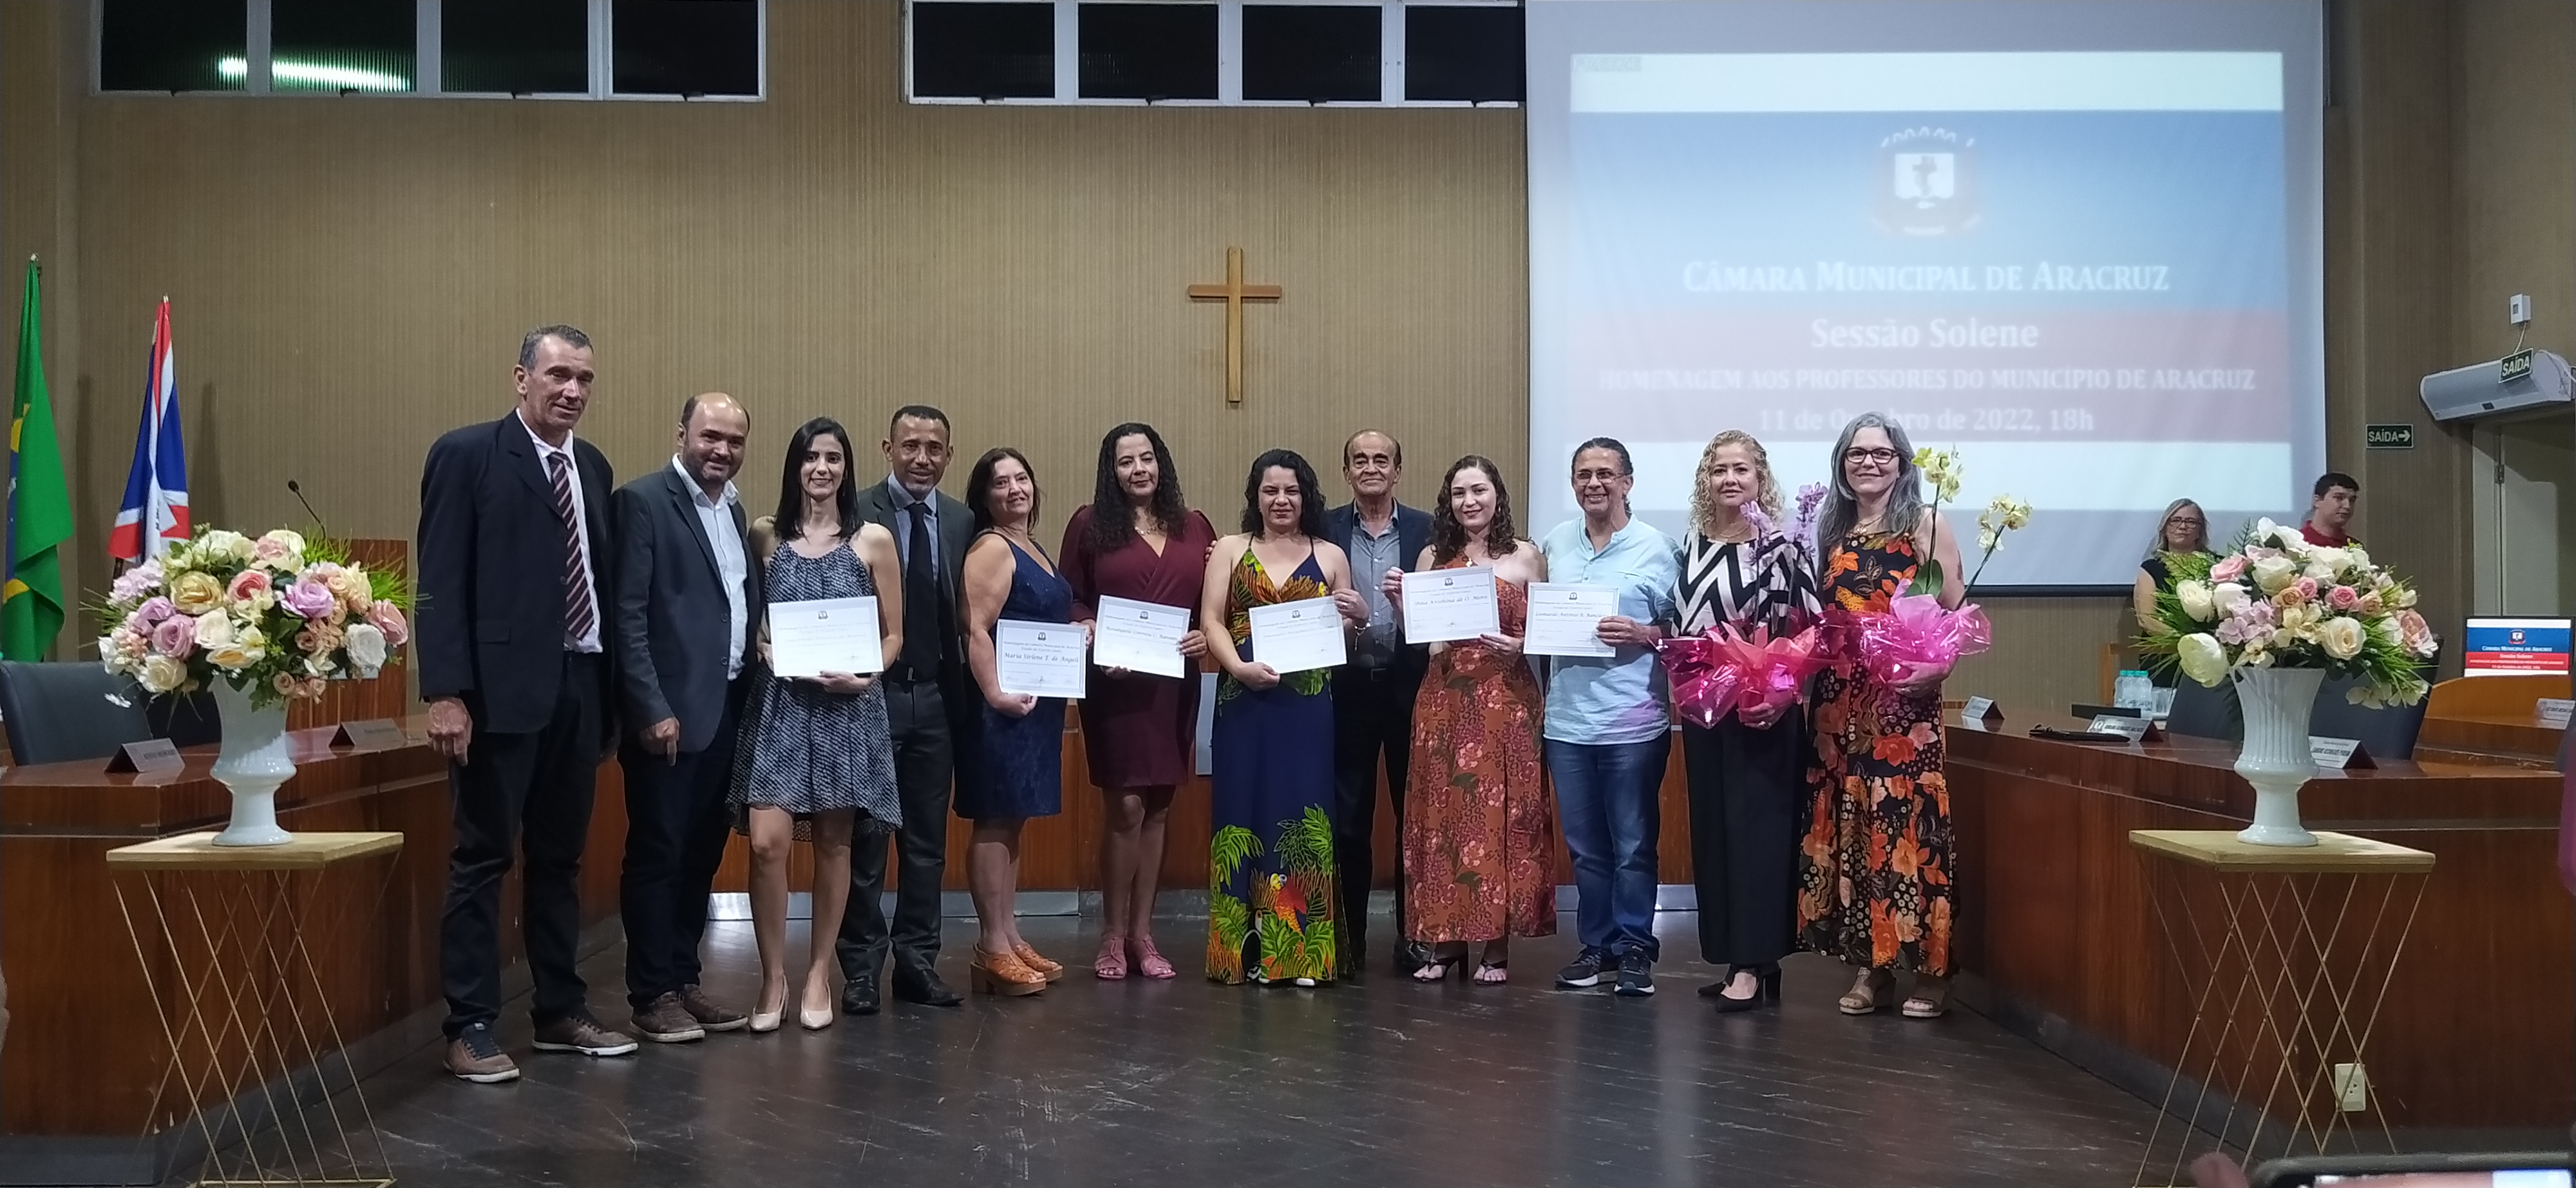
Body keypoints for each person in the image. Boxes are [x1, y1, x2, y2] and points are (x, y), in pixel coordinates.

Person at [418, 325, 633, 1082]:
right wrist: (445, 692)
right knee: (482, 857)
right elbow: (438, 581)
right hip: (496, 696)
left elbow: (598, 581)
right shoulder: (467, 453)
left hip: (579, 688)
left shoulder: (594, 467)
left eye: (584, 378)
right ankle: (470, 1022)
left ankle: (558, 1010)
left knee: (560, 860)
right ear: (521, 378)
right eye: (558, 375)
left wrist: (611, 699)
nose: (572, 390)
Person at [732, 418, 905, 1031]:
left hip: (846, 710)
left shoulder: (873, 541)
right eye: (811, 457)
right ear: (795, 466)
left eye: (833, 457)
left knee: (836, 846)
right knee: (766, 843)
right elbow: (752, 621)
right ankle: (772, 976)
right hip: (780, 706)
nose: (822, 468)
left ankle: (817, 975)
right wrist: (761, 645)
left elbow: (894, 636)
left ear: (847, 468)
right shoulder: (765, 535)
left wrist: (866, 676)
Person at [1797, 412, 1966, 1020]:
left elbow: (1956, 614)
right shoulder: (1830, 531)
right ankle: (1871, 965)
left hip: (1901, 707)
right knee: (1856, 834)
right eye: (1856, 454)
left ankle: (1930, 971)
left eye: (1882, 453)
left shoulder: (1925, 524)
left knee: (1905, 834)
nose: (1869, 463)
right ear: (1842, 464)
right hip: (1838, 707)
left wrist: (1938, 670)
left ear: (1903, 462)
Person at [611, 393, 760, 1043]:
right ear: (682, 434)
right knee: (657, 853)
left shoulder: (734, 509)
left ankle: (682, 978)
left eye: (733, 440)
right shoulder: (643, 502)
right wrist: (651, 706)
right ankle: (650, 993)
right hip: (668, 718)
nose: (721, 449)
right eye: (710, 436)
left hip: (725, 709)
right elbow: (628, 615)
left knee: (700, 852)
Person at [1197, 448, 1370, 986]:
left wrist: (1357, 619)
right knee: (1242, 816)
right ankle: (1242, 952)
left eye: (1291, 491)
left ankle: (1300, 953)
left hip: (1307, 707)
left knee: (1302, 822)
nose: (1281, 500)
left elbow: (1341, 635)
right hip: (1243, 701)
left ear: (1307, 496)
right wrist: (1238, 668)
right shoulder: (1229, 549)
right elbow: (1211, 620)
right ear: (1256, 496)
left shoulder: (1332, 554)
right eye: (1270, 490)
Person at [1387, 455, 1553, 984]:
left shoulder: (1526, 557)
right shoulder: (1434, 555)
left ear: (1497, 495)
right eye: (1459, 493)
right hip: (1443, 699)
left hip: (1506, 699)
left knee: (1500, 821)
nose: (1470, 502)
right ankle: (1446, 942)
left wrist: (1521, 643)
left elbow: (1548, 632)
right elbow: (1423, 634)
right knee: (1442, 822)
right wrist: (1398, 604)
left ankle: (1496, 948)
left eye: (1479, 490)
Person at [1672, 431, 1821, 1013]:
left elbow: (1809, 630)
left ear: (1762, 480)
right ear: (1706, 481)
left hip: (1763, 711)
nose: (1730, 480)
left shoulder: (1784, 545)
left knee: (1756, 837)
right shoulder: (1692, 544)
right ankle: (1737, 953)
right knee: (1715, 833)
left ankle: (1754, 963)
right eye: (1719, 471)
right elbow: (1683, 623)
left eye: (1742, 470)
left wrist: (1784, 695)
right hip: (1708, 711)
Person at [1060, 423, 1214, 981]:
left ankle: (1144, 936)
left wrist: (1205, 634)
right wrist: (1090, 626)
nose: (1139, 469)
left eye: (1147, 458)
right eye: (1126, 462)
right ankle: (1111, 935)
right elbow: (1070, 595)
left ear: (1162, 463)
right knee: (1124, 806)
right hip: (1117, 683)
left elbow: (1212, 603)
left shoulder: (1195, 526)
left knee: (1160, 806)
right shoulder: (1090, 524)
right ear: (1112, 470)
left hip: (1175, 685)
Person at [835, 405, 976, 1013]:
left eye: (935, 448)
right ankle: (861, 969)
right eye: (911, 446)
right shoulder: (855, 511)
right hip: (870, 698)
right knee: (867, 840)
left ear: (949, 455)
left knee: (926, 844)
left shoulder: (961, 518)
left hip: (938, 697)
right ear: (887, 446)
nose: (923, 459)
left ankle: (917, 963)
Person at [1538, 437, 1680, 998]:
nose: (1593, 483)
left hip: (1634, 723)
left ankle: (1636, 949)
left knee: (1633, 846)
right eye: (1583, 475)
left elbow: (1684, 633)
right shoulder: (1553, 544)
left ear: (1627, 481)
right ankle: (1596, 947)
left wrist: (1646, 634)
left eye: (1605, 474)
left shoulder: (1658, 548)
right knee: (1587, 851)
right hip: (1567, 725)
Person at [956, 447, 1077, 996]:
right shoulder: (991, 547)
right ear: (984, 496)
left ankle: (1009, 933)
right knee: (995, 820)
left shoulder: (1033, 546)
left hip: (1035, 705)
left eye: (1022, 478)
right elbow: (975, 630)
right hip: (1000, 706)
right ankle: (990, 946)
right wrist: (997, 695)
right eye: (1000, 483)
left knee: (1015, 819)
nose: (1014, 489)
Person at [1325, 430, 1434, 977]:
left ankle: (1414, 938)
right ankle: (1349, 940)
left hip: (1412, 688)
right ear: (1346, 472)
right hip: (1345, 692)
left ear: (1397, 470)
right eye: (1360, 460)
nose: (1371, 468)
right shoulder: (1320, 529)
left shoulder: (1430, 530)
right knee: (1348, 821)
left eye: (1381, 460)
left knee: (1413, 819)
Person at [2302, 472, 2360, 548]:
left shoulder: (2355, 548)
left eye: (2352, 500)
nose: (2347, 506)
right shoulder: (2297, 544)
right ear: (2317, 501)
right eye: (2339, 498)